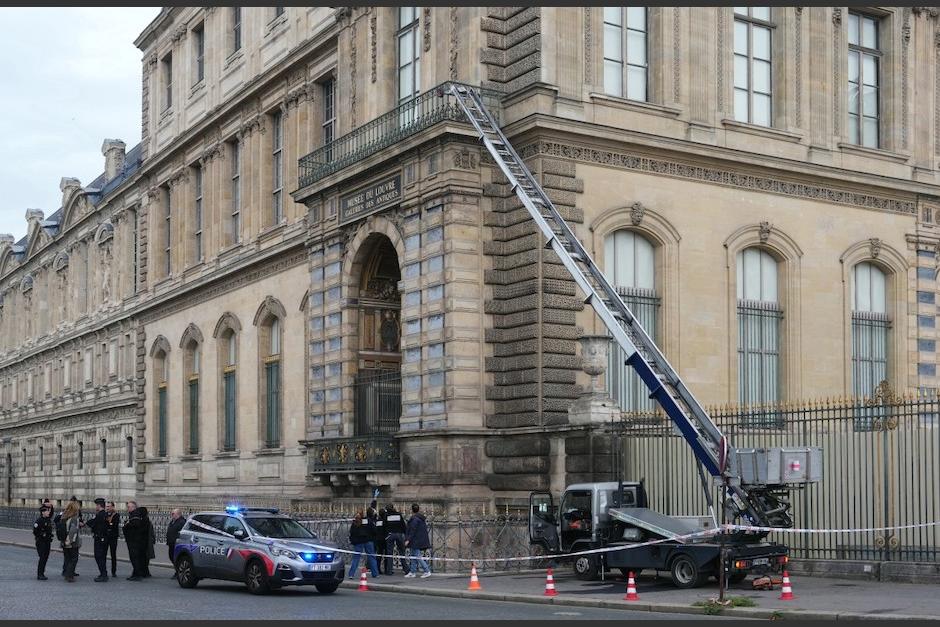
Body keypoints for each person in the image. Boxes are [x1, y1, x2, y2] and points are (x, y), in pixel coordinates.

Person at [347, 511, 379, 579]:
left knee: (356, 558)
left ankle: (351, 574)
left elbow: (352, 533)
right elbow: (374, 530)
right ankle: (375, 573)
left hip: (358, 542)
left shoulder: (355, 522)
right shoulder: (368, 521)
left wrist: (353, 541)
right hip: (368, 541)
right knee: (372, 557)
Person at [404, 503, 431, 578]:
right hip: (417, 540)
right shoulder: (420, 518)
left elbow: (413, 530)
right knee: (413, 556)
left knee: (417, 556)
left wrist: (408, 540)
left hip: (416, 540)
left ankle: (427, 570)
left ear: (411, 510)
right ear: (418, 510)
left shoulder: (414, 519)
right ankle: (412, 572)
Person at [382, 503, 409, 575]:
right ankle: (406, 569)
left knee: (389, 553)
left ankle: (389, 570)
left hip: (390, 534)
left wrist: (385, 535)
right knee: (402, 552)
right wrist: (405, 535)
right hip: (399, 534)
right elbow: (403, 525)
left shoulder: (386, 515)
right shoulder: (398, 514)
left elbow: (384, 526)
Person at [88, 498, 110, 582]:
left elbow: (95, 524)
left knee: (99, 556)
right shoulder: (105, 514)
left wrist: (86, 524)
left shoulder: (100, 515)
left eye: (96, 505)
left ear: (99, 505)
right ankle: (103, 573)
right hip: (103, 538)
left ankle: (103, 574)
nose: (95, 507)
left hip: (100, 538)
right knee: (102, 557)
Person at [60, 500, 82, 583]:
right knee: (73, 559)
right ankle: (69, 575)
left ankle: (66, 573)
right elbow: (73, 531)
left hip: (63, 541)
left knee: (67, 558)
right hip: (71, 542)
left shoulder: (64, 517)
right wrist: (70, 541)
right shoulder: (74, 518)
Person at [123, 501, 145, 581]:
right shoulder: (133, 515)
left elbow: (135, 525)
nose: (127, 508)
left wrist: (127, 524)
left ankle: (137, 574)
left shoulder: (135, 515)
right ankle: (135, 573)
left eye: (129, 507)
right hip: (132, 539)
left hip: (134, 540)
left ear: (133, 507)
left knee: (134, 557)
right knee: (133, 557)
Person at [33, 505, 54, 580]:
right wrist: (42, 535)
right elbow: (35, 532)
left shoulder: (48, 520)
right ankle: (40, 574)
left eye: (48, 511)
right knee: (42, 557)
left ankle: (42, 572)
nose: (48, 512)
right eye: (47, 511)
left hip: (47, 541)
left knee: (45, 557)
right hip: (41, 542)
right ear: (43, 512)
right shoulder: (39, 521)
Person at [165, 509, 186, 579]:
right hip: (171, 542)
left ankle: (178, 572)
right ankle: (177, 571)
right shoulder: (173, 521)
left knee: (175, 558)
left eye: (173, 513)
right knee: (171, 557)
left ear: (178, 514)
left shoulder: (182, 522)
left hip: (176, 543)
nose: (172, 515)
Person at [368, 501, 386, 575]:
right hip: (382, 539)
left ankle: (375, 568)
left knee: (376, 554)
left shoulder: (376, 521)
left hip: (376, 539)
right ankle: (377, 569)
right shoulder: (383, 521)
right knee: (381, 554)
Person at [105, 501, 121, 577]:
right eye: (107, 506)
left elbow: (114, 525)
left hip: (113, 537)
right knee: (103, 554)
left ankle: (113, 571)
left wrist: (108, 525)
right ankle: (103, 571)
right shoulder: (105, 514)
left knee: (113, 555)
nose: (107, 508)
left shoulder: (116, 515)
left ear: (112, 507)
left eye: (109, 506)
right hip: (106, 537)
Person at [140, 506, 156, 578]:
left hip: (145, 542)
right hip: (147, 542)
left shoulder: (143, 521)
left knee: (144, 558)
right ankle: (145, 571)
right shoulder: (147, 521)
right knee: (146, 558)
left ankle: (144, 572)